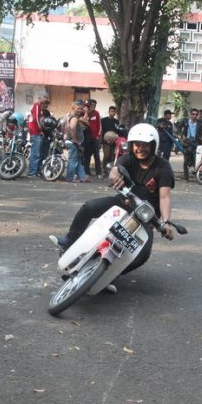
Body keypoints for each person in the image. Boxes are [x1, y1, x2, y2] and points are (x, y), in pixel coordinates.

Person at [50, 123, 174, 281]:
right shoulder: (128, 158)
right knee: (89, 207)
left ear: (153, 145)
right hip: (123, 203)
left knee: (143, 255)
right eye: (137, 144)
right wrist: (114, 174)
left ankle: (107, 277)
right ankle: (69, 240)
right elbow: (115, 169)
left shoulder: (163, 167)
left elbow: (164, 197)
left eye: (145, 145)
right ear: (131, 145)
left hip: (146, 217)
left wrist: (166, 222)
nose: (140, 149)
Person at [65, 101, 88, 183]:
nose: (80, 110)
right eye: (78, 108)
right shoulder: (74, 118)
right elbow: (72, 128)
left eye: (81, 109)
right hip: (73, 143)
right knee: (73, 161)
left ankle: (82, 177)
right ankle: (70, 178)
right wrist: (74, 139)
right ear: (73, 108)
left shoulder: (72, 116)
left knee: (78, 161)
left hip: (74, 142)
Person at [179, 108, 202, 181]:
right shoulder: (185, 122)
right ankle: (186, 177)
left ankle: (198, 175)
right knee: (186, 160)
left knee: (196, 159)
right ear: (190, 114)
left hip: (195, 143)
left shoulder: (200, 124)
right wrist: (182, 135)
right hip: (186, 142)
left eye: (196, 114)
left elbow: (201, 134)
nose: (194, 116)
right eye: (193, 114)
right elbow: (178, 128)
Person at [27, 95, 49, 177]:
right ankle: (32, 172)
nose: (45, 102)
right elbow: (36, 119)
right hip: (36, 132)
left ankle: (35, 171)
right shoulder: (37, 105)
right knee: (35, 154)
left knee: (38, 153)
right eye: (44, 99)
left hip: (36, 132)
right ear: (40, 98)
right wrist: (40, 130)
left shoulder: (39, 108)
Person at [84, 99, 102, 179]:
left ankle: (99, 173)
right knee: (87, 156)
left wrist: (98, 136)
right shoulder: (85, 113)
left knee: (97, 156)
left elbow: (99, 126)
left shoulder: (97, 113)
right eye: (92, 105)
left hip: (95, 138)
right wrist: (87, 113)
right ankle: (87, 172)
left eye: (95, 105)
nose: (93, 106)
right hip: (87, 138)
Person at [101, 106, 120, 173]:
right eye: (111, 111)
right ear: (109, 112)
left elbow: (118, 131)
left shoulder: (116, 121)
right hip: (106, 141)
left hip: (114, 142)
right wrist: (101, 141)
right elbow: (101, 131)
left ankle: (110, 169)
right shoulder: (103, 120)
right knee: (106, 155)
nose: (113, 113)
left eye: (114, 111)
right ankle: (104, 169)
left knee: (112, 156)